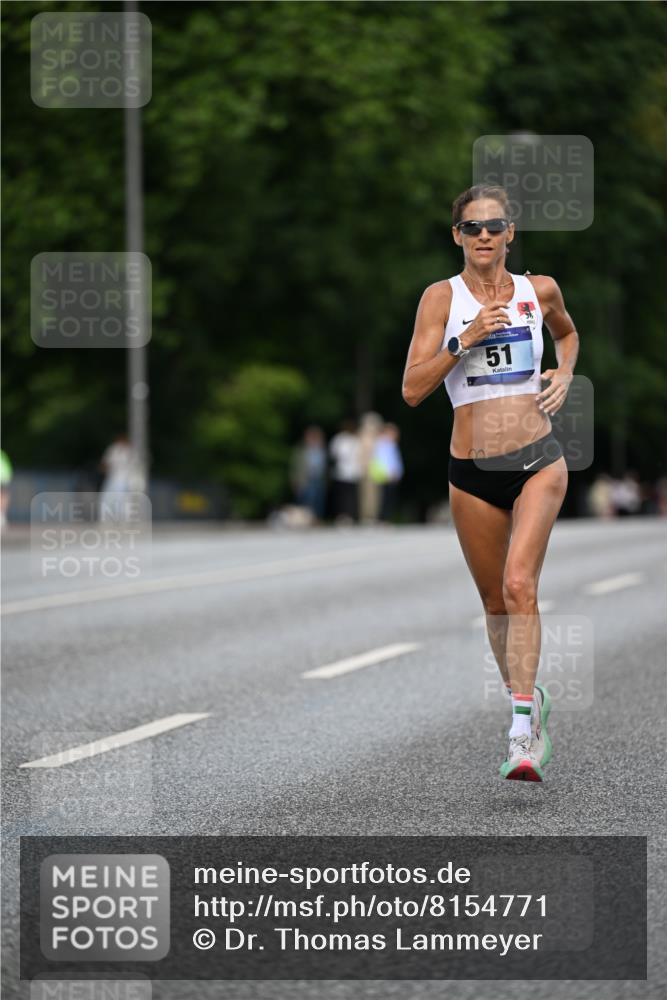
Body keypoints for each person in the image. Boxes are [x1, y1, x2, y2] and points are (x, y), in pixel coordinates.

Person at [402, 184, 578, 782]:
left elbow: (568, 334)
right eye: (472, 227)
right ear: (457, 236)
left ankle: (522, 735)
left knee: (520, 583)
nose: (484, 235)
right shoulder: (439, 299)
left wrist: (565, 375)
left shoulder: (540, 290)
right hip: (470, 471)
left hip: (536, 459)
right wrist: (464, 340)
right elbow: (412, 389)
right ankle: (527, 698)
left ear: (510, 234)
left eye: (494, 226)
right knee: (495, 603)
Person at [290, 426, 327, 521]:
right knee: (307, 500)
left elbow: (324, 467)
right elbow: (295, 467)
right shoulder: (301, 451)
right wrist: (295, 481)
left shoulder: (321, 450)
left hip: (318, 479)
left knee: (318, 501)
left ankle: (317, 518)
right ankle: (306, 519)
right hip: (305, 479)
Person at [329, 419, 362, 524]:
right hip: (343, 472)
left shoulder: (353, 439)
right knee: (343, 496)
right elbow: (334, 454)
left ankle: (349, 515)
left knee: (349, 496)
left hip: (351, 472)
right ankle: (343, 515)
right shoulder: (341, 439)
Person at [370, 423, 404, 522]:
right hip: (385, 475)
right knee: (384, 498)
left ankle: (386, 517)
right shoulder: (384, 444)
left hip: (390, 476)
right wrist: (390, 473)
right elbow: (384, 460)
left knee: (388, 498)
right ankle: (382, 518)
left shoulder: (391, 444)